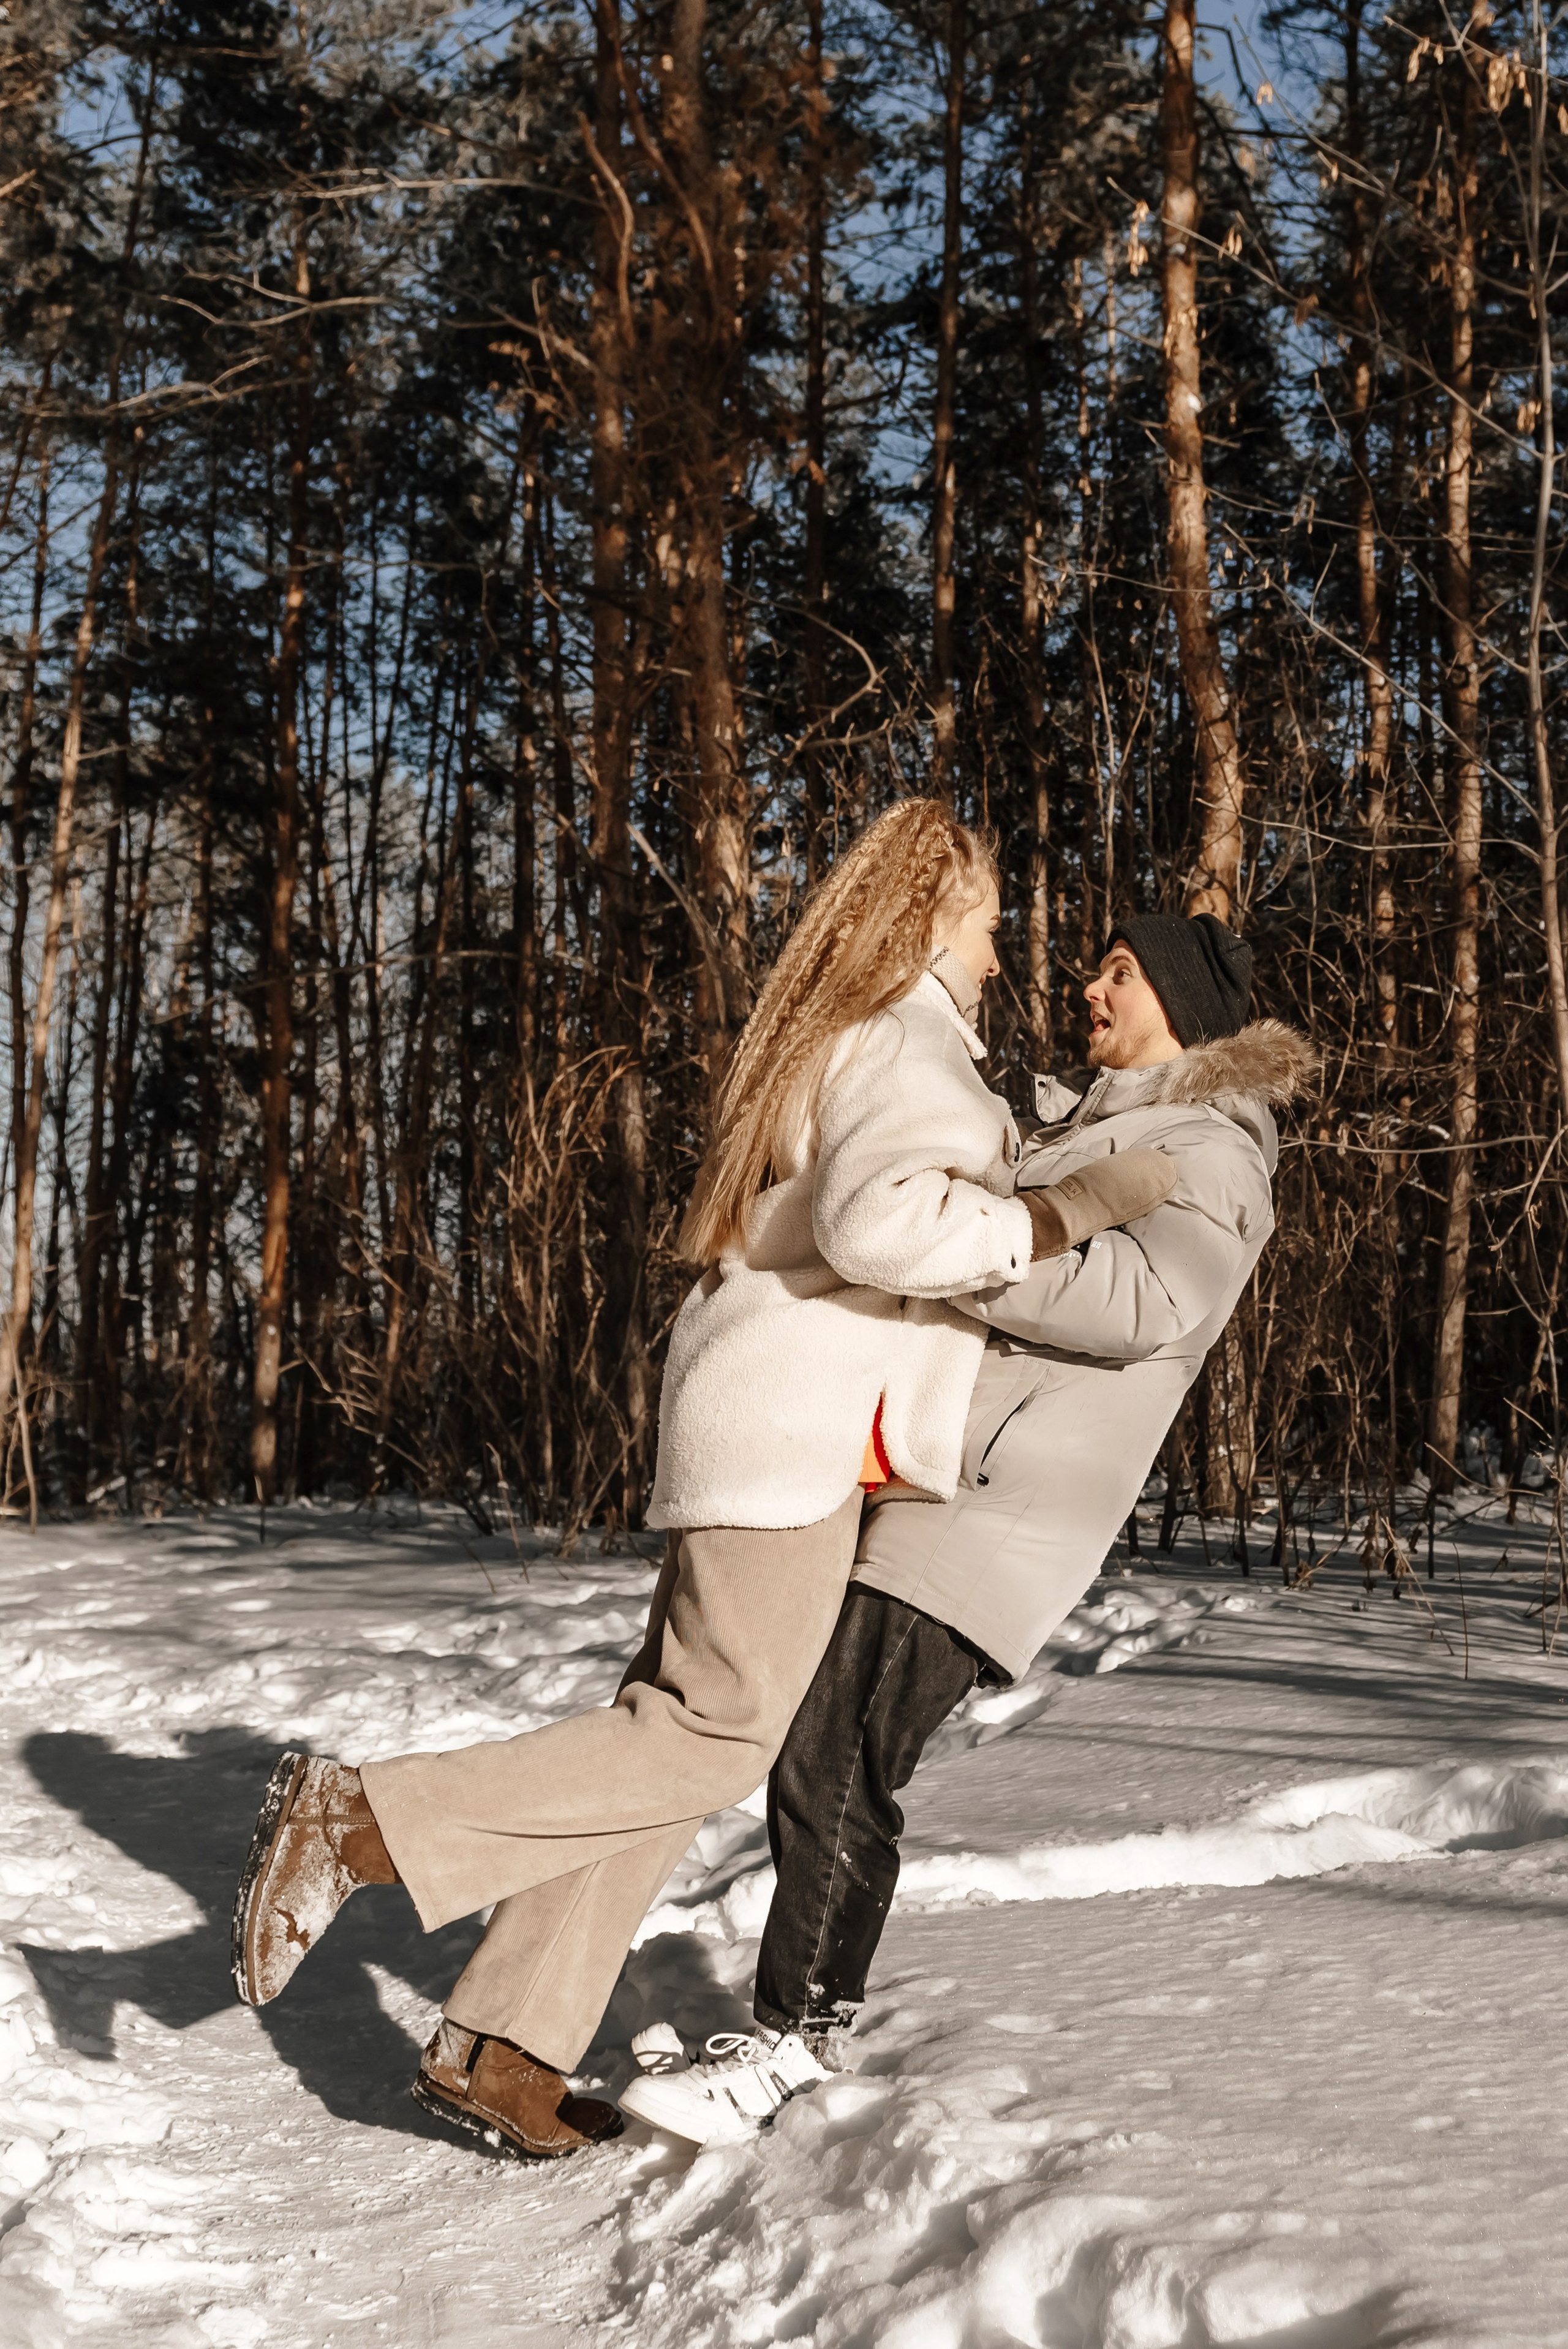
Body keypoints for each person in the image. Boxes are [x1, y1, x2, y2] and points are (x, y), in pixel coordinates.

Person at [228, 802, 1177, 2162]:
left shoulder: (858, 1024)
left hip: (754, 1413)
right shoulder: (905, 1035)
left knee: (663, 1733)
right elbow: (877, 1221)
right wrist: (1053, 1216)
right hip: (793, 1432)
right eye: (980, 927)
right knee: (713, 1736)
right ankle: (357, 1819)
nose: (993, 956)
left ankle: (504, 2042)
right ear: (925, 921)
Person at [617, 913, 1316, 2146]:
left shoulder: (1212, 1146)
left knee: (839, 1748)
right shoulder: (1086, 1122)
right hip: (930, 1472)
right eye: (1096, 961)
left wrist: (963, 1256)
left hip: (1005, 1505)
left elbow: (1145, 1299)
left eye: (1120, 967)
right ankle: (780, 2016)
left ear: (1183, 1006)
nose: (1088, 981)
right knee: (798, 1724)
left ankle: (792, 2041)